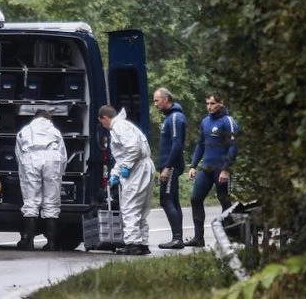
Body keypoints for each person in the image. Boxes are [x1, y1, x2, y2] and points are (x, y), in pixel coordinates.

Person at [98, 105, 155, 255]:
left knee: (130, 206)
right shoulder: (125, 125)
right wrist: (115, 173)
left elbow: (133, 149)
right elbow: (123, 154)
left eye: (102, 122)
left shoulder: (119, 127)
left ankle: (133, 244)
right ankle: (142, 243)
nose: (103, 125)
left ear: (105, 118)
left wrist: (126, 167)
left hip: (137, 169)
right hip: (143, 165)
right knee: (141, 208)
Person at [185, 92, 239, 247]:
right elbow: (200, 145)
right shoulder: (205, 122)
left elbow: (233, 147)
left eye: (213, 103)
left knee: (225, 202)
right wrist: (193, 166)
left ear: (221, 103)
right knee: (195, 199)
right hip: (206, 168)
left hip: (221, 169)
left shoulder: (228, 121)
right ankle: (198, 238)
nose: (209, 106)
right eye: (207, 103)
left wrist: (226, 169)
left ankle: (227, 237)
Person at [15, 109, 67, 251]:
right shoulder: (55, 131)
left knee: (31, 201)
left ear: (34, 118)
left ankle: (29, 241)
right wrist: (59, 173)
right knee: (51, 201)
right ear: (48, 119)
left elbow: (19, 154)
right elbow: (63, 155)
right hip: (52, 160)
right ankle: (51, 243)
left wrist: (24, 171)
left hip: (31, 159)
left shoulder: (24, 131)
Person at [153, 87, 186, 249]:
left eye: (157, 100)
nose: (155, 104)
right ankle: (178, 238)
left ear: (166, 99)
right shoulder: (169, 117)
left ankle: (177, 239)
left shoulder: (175, 117)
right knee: (173, 200)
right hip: (169, 164)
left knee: (166, 200)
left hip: (171, 165)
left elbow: (177, 144)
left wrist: (167, 167)